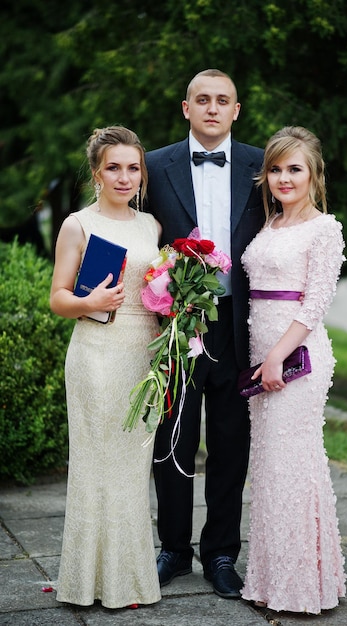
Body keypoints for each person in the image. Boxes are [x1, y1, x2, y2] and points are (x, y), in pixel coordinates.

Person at [145, 69, 264, 598]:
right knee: (172, 440)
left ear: (236, 110)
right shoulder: (152, 167)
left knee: (231, 446)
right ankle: (173, 547)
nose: (212, 108)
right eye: (202, 100)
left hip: (242, 328)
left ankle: (221, 553)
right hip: (176, 326)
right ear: (186, 107)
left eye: (223, 101)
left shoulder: (265, 166)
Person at [50, 126, 162, 609]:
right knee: (97, 466)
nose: (124, 177)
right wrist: (88, 299)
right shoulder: (78, 224)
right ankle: (85, 582)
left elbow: (156, 289)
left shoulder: (151, 226)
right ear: (97, 171)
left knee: (133, 469)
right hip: (95, 353)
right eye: (114, 167)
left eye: (133, 167)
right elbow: (57, 299)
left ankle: (129, 580)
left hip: (144, 355)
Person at [240, 126, 346, 614]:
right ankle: (271, 580)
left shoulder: (324, 228)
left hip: (295, 359)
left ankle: (302, 587)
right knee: (269, 468)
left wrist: (278, 356)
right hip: (261, 358)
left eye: (295, 169)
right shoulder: (268, 225)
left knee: (293, 467)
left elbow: (315, 302)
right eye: (276, 168)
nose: (284, 177)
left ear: (314, 174)